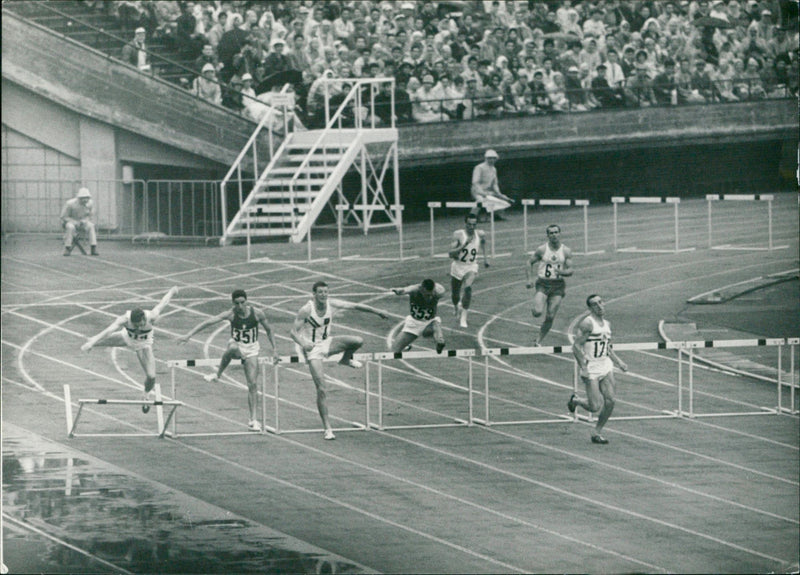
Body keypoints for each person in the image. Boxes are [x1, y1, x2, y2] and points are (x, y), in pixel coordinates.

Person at [290, 281, 389, 440]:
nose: (323, 295)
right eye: (320, 292)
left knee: (357, 341)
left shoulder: (333, 304)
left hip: (327, 343)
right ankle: (327, 428)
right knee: (321, 388)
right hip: (312, 349)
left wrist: (377, 311)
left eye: (326, 292)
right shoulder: (306, 309)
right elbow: (293, 332)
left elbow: (356, 306)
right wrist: (303, 343)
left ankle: (345, 360)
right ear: (314, 294)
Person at [177, 289, 278, 432]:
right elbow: (208, 322)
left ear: (247, 301)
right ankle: (217, 374)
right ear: (233, 303)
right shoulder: (230, 314)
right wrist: (189, 335)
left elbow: (269, 330)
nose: (240, 306)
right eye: (237, 303)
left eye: (243, 303)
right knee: (231, 348)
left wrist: (275, 349)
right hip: (236, 346)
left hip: (252, 349)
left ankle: (253, 419)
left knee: (253, 384)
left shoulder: (257, 313)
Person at [81, 287, 179, 411]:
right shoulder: (124, 319)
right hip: (126, 337)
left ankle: (146, 394)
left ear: (144, 319)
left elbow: (163, 303)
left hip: (144, 344)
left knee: (151, 376)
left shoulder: (152, 316)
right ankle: (91, 342)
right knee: (94, 341)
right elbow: (109, 330)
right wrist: (93, 342)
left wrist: (171, 292)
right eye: (135, 325)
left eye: (140, 325)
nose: (138, 328)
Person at [568, 294, 628, 444]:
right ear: (590, 308)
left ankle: (597, 432)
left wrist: (619, 362)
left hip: (605, 365)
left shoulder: (607, 324)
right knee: (594, 406)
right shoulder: (587, 324)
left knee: (610, 401)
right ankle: (576, 400)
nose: (600, 306)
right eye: (595, 304)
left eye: (601, 302)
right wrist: (584, 367)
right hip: (592, 367)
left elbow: (607, 347)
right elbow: (576, 346)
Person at [525, 224, 574, 345]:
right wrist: (529, 279)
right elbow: (529, 262)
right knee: (537, 312)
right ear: (547, 235)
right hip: (543, 283)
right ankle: (537, 304)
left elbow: (570, 270)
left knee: (550, 316)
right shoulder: (542, 249)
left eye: (556, 232)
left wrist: (561, 272)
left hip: (558, 285)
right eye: (551, 233)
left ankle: (538, 340)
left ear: (560, 234)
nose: (554, 235)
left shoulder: (566, 251)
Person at [449, 211, 490, 328]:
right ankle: (456, 307)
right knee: (455, 295)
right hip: (458, 266)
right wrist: (463, 245)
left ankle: (464, 317)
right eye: (469, 224)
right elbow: (450, 253)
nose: (472, 227)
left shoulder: (480, 234)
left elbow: (483, 244)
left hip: (471, 265)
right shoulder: (458, 235)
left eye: (474, 224)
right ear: (465, 224)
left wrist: (486, 259)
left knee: (468, 288)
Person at [390, 279, 446, 354]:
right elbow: (405, 290)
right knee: (394, 351)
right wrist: (399, 291)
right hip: (414, 324)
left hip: (430, 322)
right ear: (422, 290)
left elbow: (442, 292)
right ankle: (406, 345)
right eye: (427, 295)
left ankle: (440, 340)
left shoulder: (439, 291)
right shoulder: (415, 290)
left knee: (435, 324)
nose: (429, 297)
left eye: (431, 294)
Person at [471, 149, 513, 221]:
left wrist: (499, 193)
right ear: (486, 158)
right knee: (480, 201)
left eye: (493, 158)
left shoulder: (494, 169)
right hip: (477, 191)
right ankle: (472, 216)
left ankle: (497, 216)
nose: (492, 160)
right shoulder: (479, 167)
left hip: (488, 191)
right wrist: (482, 193)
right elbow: (475, 182)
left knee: (502, 200)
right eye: (490, 158)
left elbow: (494, 183)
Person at [60, 187, 99, 256]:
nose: (85, 200)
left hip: (83, 221)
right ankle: (67, 247)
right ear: (79, 198)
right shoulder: (70, 204)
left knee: (91, 226)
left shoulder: (90, 204)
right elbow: (63, 216)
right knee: (70, 227)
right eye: (83, 198)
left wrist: (85, 220)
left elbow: (90, 215)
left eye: (87, 198)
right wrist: (74, 222)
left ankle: (93, 246)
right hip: (70, 221)